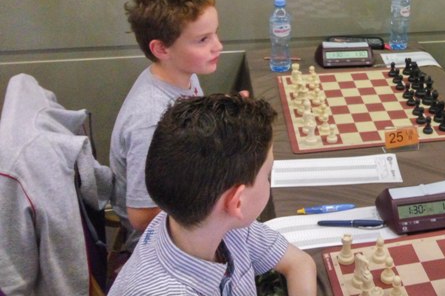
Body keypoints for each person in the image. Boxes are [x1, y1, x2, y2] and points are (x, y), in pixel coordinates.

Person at [108, 93, 317, 295]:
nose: (268, 182)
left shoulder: (216, 221)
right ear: (237, 202)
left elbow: (300, 263)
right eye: (267, 175)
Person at [109, 0, 224, 250]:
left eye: (215, 34)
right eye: (203, 40)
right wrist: (215, 200)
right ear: (161, 49)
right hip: (160, 244)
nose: (218, 46)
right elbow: (141, 217)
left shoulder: (183, 74)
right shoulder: (151, 121)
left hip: (190, 196)